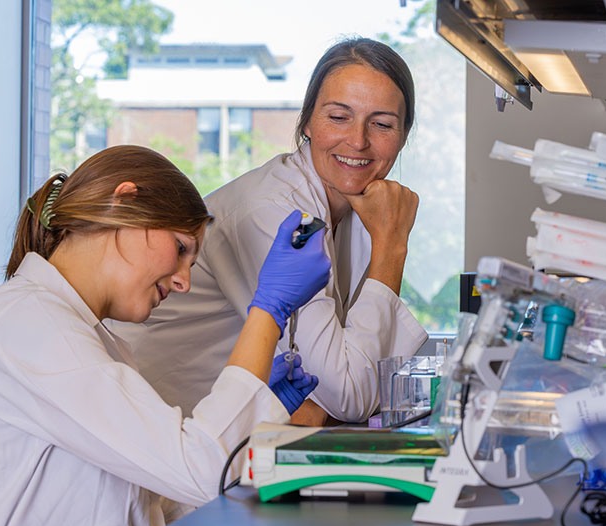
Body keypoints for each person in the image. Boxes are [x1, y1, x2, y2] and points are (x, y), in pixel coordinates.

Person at [0, 145, 330, 526]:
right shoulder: (30, 325)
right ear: (125, 201)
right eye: (180, 249)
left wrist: (251, 420)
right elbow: (198, 469)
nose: (183, 282)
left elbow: (159, 504)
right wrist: (269, 309)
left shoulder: (77, 333)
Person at [115, 38, 428, 424]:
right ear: (308, 122)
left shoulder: (360, 207)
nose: (359, 141)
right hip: (164, 440)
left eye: (381, 124)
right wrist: (392, 246)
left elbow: (374, 378)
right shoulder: (274, 211)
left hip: (229, 438)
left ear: (403, 136)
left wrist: (327, 406)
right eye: (338, 117)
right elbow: (350, 395)